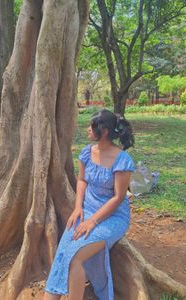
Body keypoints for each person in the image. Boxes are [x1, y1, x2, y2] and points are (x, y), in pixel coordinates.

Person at [44, 109, 135, 300]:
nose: (87, 130)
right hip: (86, 211)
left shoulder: (122, 160)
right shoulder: (87, 152)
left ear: (104, 132)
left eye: (91, 127)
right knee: (63, 253)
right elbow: (82, 180)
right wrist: (78, 208)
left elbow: (118, 197)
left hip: (113, 217)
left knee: (75, 258)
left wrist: (92, 222)